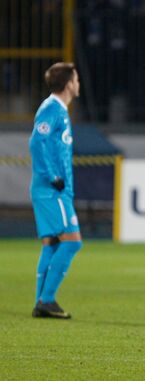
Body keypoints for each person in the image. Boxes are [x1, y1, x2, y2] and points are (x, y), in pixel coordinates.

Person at [29, 62, 83, 318]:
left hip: (54, 188)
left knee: (51, 243)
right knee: (72, 242)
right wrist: (52, 176)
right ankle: (46, 300)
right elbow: (37, 142)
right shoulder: (52, 108)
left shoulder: (58, 110)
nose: (78, 84)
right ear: (68, 83)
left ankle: (42, 301)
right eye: (76, 79)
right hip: (52, 188)